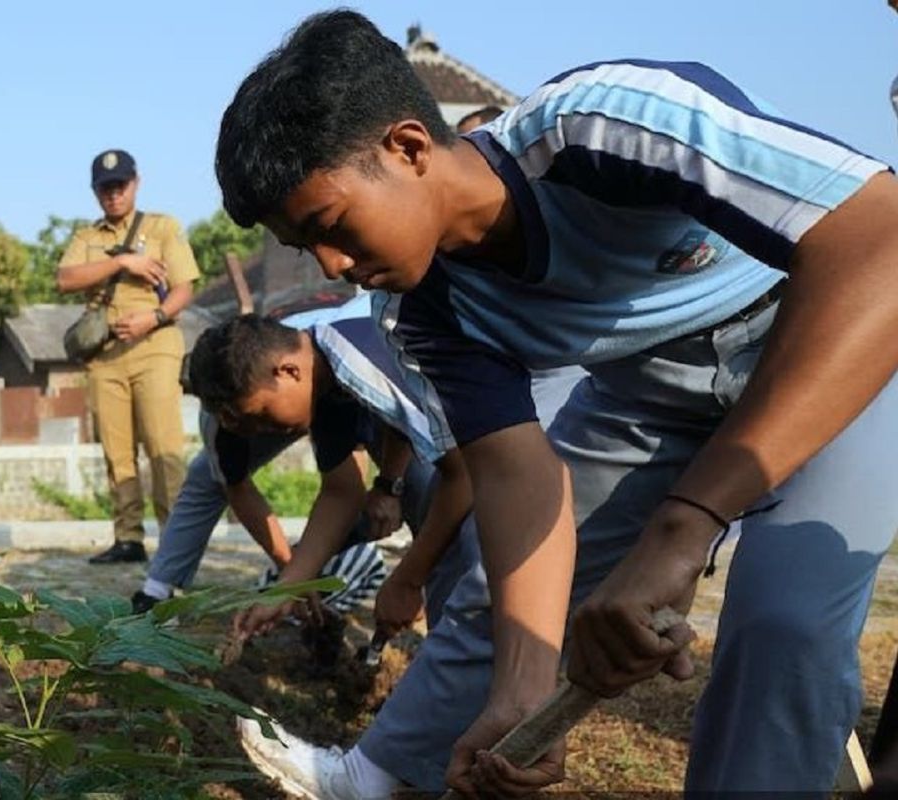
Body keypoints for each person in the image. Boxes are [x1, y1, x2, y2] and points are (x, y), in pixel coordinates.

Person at [215, 10, 898, 794]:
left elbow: (879, 240)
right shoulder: (427, 312)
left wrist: (681, 529)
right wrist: (520, 692)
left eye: (330, 226)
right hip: (649, 397)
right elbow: (515, 479)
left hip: (826, 350)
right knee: (497, 602)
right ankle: (386, 772)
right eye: (308, 250)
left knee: (784, 627)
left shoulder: (601, 125)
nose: (333, 263)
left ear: (406, 148)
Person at [185, 306, 476, 648]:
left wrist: (407, 582)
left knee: (460, 533)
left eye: (262, 415)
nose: (265, 431)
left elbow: (467, 471)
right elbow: (340, 493)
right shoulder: (326, 384)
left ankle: (466, 661)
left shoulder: (357, 355)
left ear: (288, 371)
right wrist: (286, 589)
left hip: (518, 433)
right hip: (478, 454)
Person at [57, 150, 198, 564]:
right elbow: (65, 279)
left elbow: (184, 288)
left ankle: (174, 540)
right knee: (117, 453)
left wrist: (153, 317)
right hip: (105, 356)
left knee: (162, 446)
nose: (113, 194)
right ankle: (127, 537)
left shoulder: (162, 227)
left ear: (135, 183)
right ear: (95, 191)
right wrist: (121, 261)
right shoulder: (87, 237)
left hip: (154, 346)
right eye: (105, 187)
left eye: (120, 185)